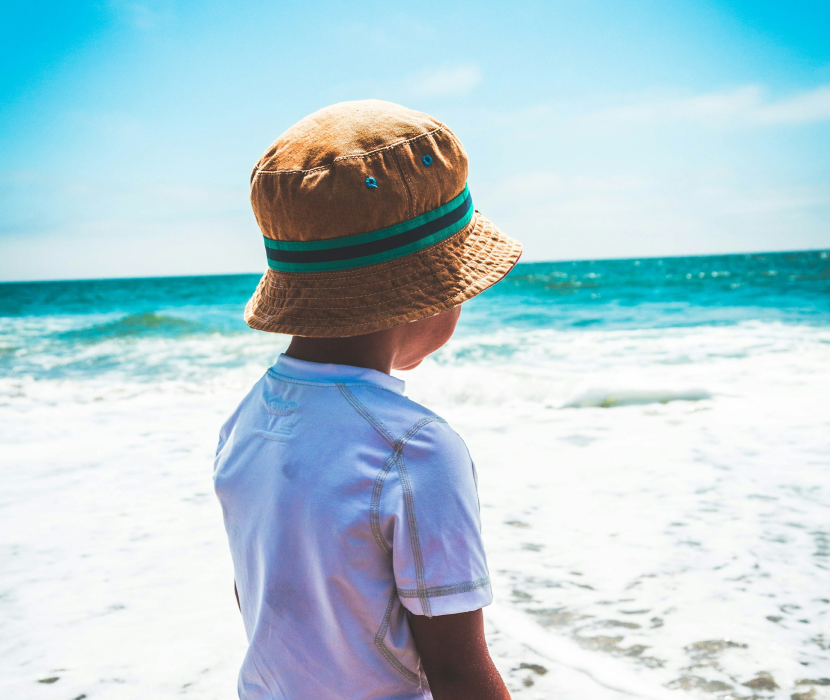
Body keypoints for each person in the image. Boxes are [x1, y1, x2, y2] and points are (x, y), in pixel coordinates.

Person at [214, 99, 522, 700]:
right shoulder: (414, 449)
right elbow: (458, 673)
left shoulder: (246, 419)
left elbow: (258, 601)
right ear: (433, 289)